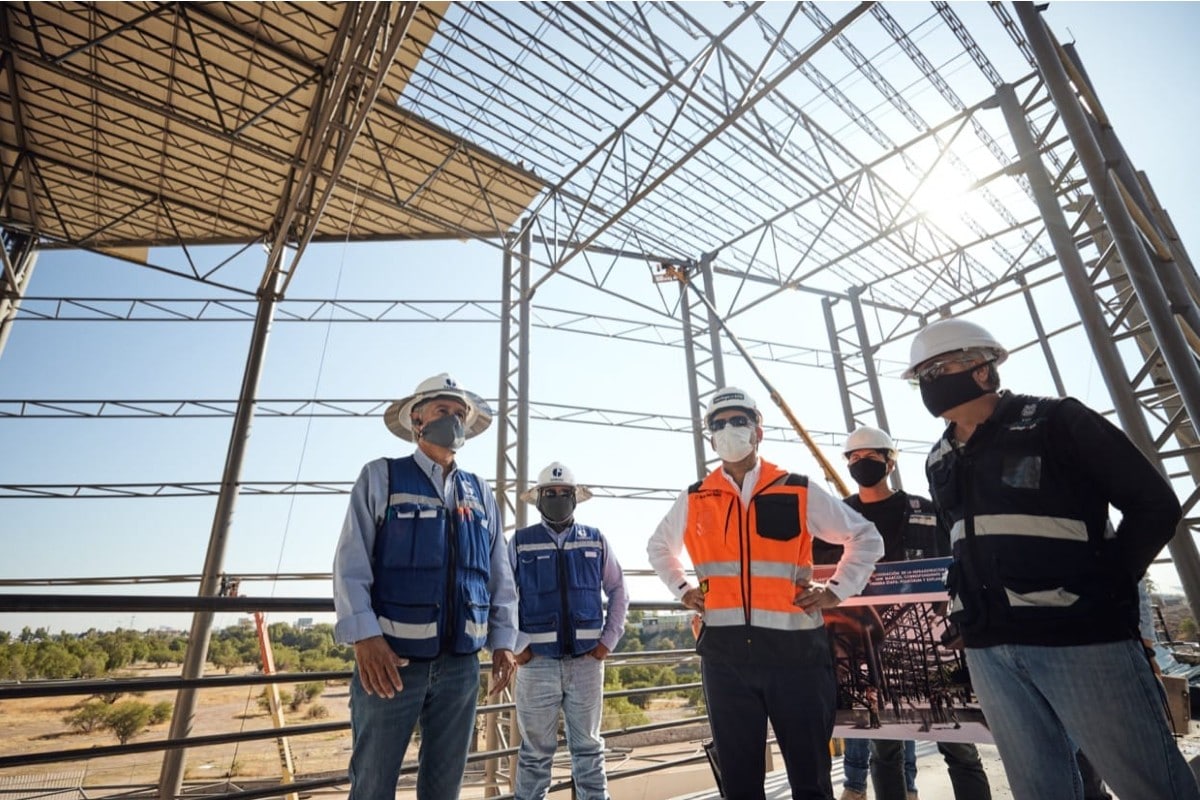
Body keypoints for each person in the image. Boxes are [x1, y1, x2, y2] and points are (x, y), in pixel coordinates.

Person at [905, 317, 1200, 800]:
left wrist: (1107, 586)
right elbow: (959, 543)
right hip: (990, 650)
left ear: (983, 368)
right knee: (1039, 789)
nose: (930, 383)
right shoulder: (939, 458)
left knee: (1149, 783)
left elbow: (1154, 505)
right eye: (922, 376)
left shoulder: (1057, 421)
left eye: (941, 368)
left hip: (1080, 640)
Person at [647, 386, 885, 800]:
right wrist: (683, 589)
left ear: (759, 431)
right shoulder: (695, 498)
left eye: (738, 421)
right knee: (740, 784)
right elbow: (657, 548)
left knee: (810, 779)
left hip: (796, 657)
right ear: (710, 437)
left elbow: (865, 538)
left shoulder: (796, 488)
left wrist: (836, 591)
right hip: (725, 659)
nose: (728, 430)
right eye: (718, 425)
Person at [332, 373, 519, 800]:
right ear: (417, 422)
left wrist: (504, 640)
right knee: (374, 782)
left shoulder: (479, 492)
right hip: (390, 664)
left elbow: (498, 573)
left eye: (459, 414)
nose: (453, 420)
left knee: (444, 786)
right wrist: (364, 636)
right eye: (442, 412)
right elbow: (351, 561)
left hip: (461, 665)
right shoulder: (382, 477)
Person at [820, 426, 991, 800]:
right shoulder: (839, 517)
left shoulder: (926, 511)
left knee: (960, 746)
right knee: (885, 748)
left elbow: (959, 561)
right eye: (854, 458)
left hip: (936, 640)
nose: (861, 463)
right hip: (869, 644)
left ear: (890, 460)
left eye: (870, 457)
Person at [510, 461, 629, 800]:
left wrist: (608, 641)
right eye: (551, 493)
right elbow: (499, 596)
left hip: (587, 663)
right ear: (538, 498)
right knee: (534, 755)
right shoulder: (520, 543)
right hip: (536, 665)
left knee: (589, 751)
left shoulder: (595, 540)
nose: (558, 498)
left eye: (565, 493)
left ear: (576, 498)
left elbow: (619, 589)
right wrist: (518, 646)